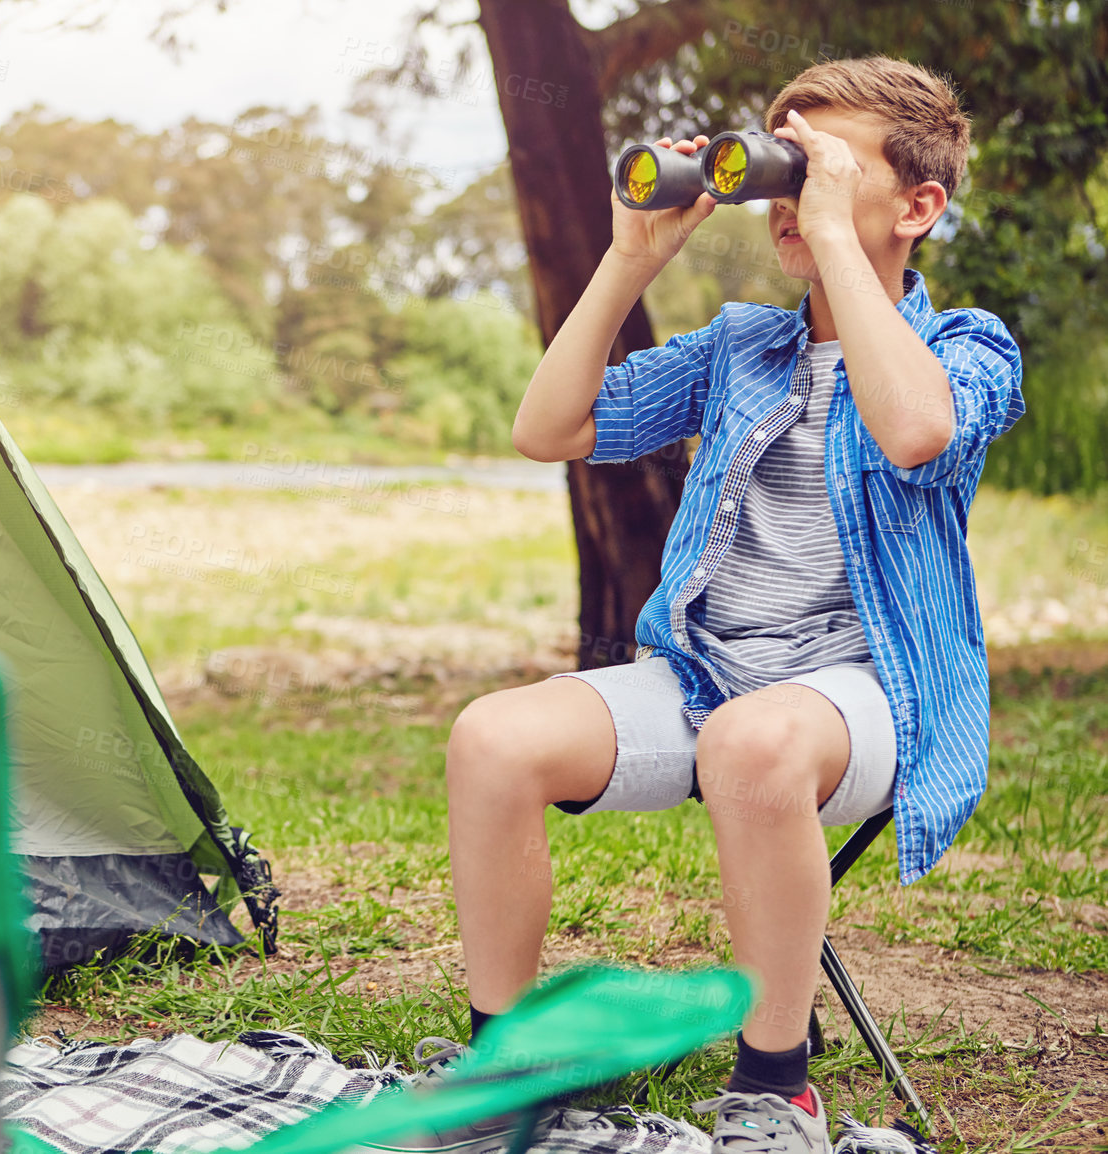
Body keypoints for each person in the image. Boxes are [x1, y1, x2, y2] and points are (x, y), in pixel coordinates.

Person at [438, 56, 1024, 1154]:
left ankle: (776, 1085)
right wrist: (626, 261)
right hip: (705, 678)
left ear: (919, 206)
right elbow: (551, 429)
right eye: (786, 165)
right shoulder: (740, 345)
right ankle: (499, 1061)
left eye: (826, 168)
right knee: (494, 736)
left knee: (754, 743)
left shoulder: (967, 346)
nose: (795, 199)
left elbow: (914, 433)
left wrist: (842, 242)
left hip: (867, 695)